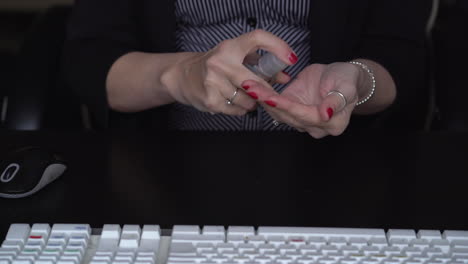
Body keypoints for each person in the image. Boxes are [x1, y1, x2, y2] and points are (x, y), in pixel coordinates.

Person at [63, 0, 431, 137]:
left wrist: (355, 81)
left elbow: (402, 56)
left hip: (343, 168)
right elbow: (91, 62)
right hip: (167, 164)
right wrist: (179, 75)